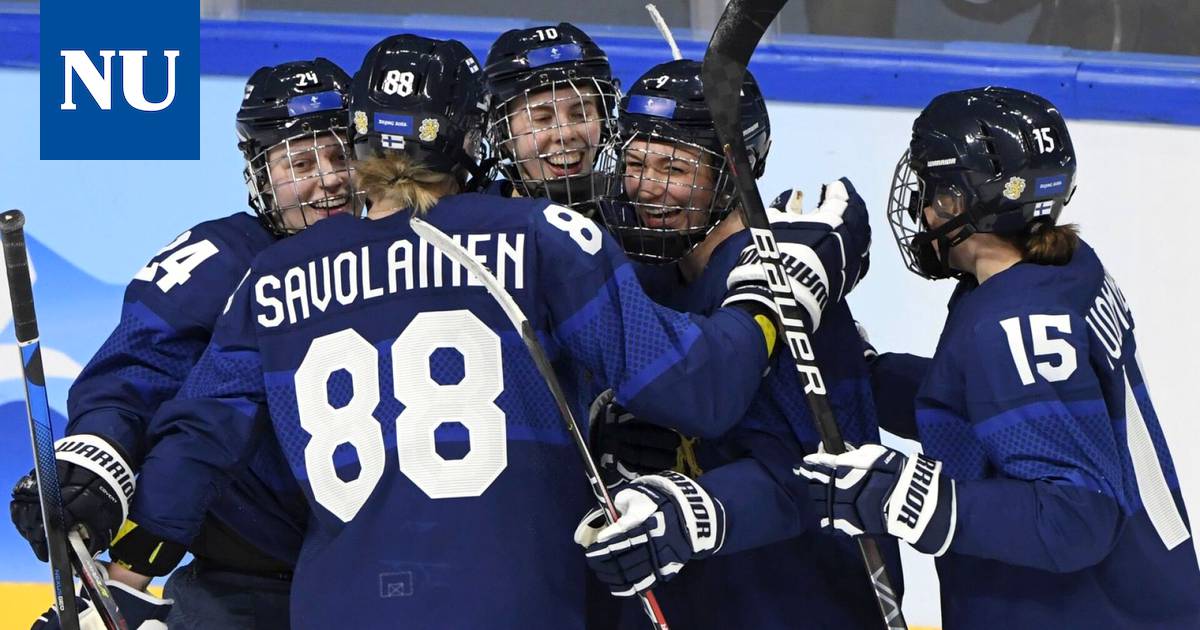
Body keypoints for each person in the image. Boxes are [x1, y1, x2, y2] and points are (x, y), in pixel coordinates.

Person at [21, 34, 859, 629]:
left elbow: (193, 447)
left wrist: (113, 565)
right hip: (519, 600)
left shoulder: (273, 279)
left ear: (358, 145)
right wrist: (768, 294)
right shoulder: (538, 239)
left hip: (335, 606)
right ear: (473, 133)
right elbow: (704, 391)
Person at [797, 86, 1200, 628]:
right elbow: (984, 405)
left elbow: (1076, 518)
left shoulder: (1013, 323)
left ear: (967, 202)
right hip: (1145, 592)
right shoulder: (1061, 270)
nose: (922, 207)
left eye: (934, 189)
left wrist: (921, 500)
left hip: (1091, 612)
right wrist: (865, 372)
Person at [11, 58, 359, 629]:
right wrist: (91, 465)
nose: (328, 179)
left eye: (340, 154)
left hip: (388, 569)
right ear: (260, 173)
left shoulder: (414, 253)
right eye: (299, 161)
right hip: (246, 582)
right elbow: (136, 370)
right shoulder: (220, 258)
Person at [571, 59, 900, 629]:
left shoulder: (783, 285)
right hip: (713, 601)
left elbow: (818, 482)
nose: (646, 187)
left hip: (804, 605)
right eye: (635, 162)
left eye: (673, 166)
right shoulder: (658, 275)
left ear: (732, 169)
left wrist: (690, 510)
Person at [483, 22, 619, 212]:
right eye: (541, 119)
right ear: (503, 134)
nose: (565, 133)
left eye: (580, 115)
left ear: (604, 120)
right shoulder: (472, 225)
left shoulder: (638, 215)